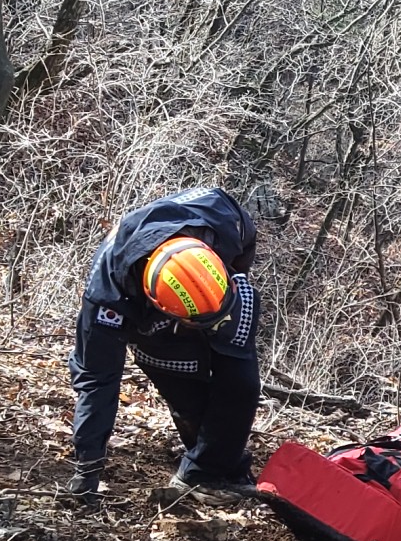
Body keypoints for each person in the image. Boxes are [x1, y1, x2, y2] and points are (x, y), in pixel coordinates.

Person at [68, 187, 261, 504]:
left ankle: (220, 466)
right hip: (149, 322)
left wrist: (234, 278)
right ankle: (201, 475)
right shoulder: (107, 302)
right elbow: (97, 380)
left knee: (242, 383)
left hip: (220, 291)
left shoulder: (221, 217)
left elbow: (246, 236)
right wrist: (87, 468)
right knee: (186, 388)